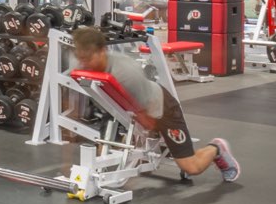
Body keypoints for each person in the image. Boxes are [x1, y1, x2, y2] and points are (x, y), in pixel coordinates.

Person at [69, 25, 241, 183]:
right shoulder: (82, 64)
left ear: (103, 51)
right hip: (127, 110)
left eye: (89, 58)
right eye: (81, 57)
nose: (84, 63)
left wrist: (140, 139)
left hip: (161, 109)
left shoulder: (126, 72)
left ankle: (216, 148)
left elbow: (148, 119)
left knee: (191, 166)